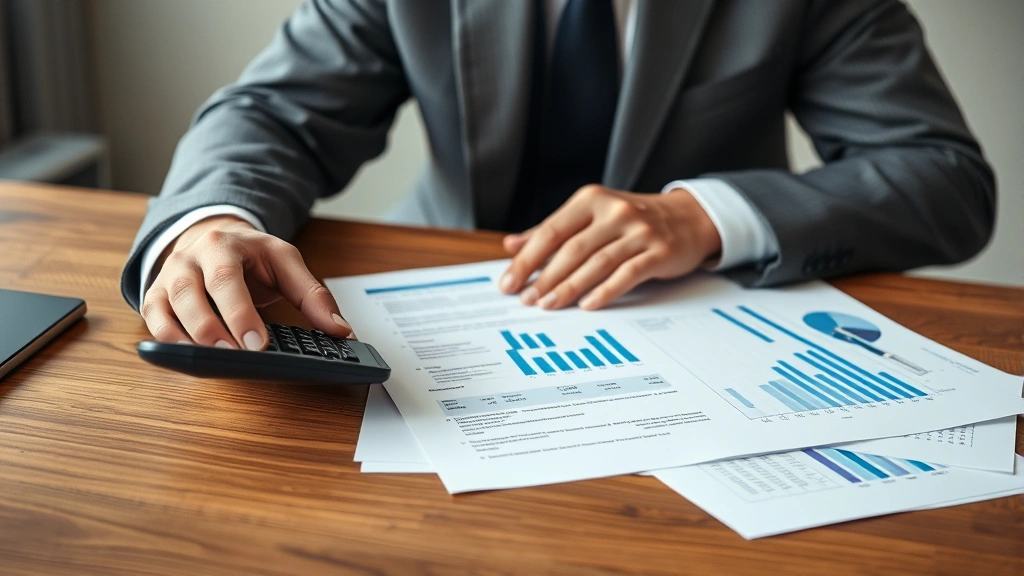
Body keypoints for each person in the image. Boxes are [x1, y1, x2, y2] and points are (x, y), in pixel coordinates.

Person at [121, 0, 994, 353]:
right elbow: (272, 113)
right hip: (436, 316)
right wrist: (210, 220)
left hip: (713, 329)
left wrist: (705, 215)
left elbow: (944, 177)